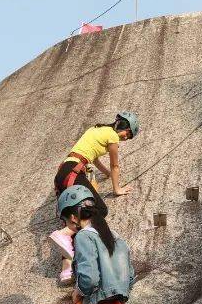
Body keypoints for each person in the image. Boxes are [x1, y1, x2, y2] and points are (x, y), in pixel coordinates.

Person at [49, 112, 139, 285]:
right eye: (127, 135)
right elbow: (115, 165)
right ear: (124, 128)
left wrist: (105, 174)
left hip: (64, 173)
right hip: (74, 173)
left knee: (73, 216)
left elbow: (95, 161)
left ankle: (67, 269)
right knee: (99, 210)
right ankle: (64, 234)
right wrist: (117, 188)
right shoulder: (112, 136)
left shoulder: (97, 130)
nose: (124, 139)